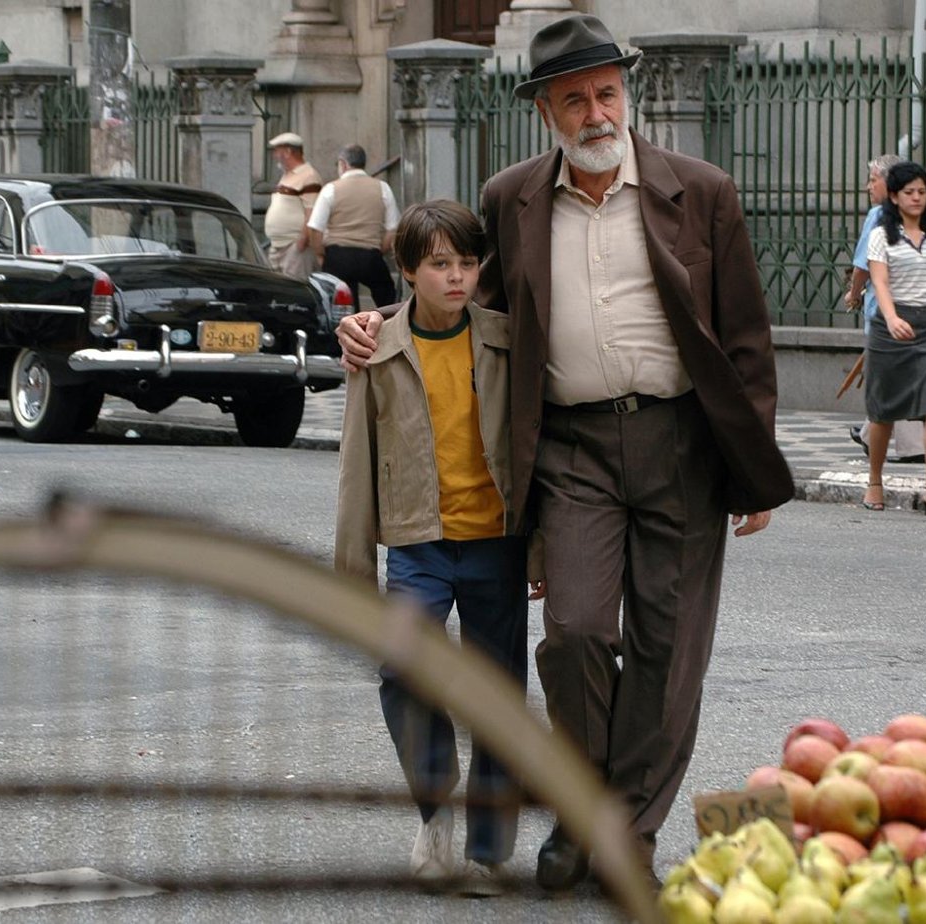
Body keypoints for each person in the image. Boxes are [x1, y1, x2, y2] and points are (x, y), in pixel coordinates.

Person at [336, 13, 794, 890]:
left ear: (628, 95)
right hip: (571, 446)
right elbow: (466, 315)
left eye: (606, 93)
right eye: (574, 99)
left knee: (667, 652)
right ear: (545, 110)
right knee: (576, 634)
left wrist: (752, 462)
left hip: (683, 444)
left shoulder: (701, 191)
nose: (595, 113)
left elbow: (744, 337)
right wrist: (373, 326)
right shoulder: (512, 198)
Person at [334, 199, 537, 898]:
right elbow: (356, 463)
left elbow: (536, 451)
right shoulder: (377, 345)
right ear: (408, 271)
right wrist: (353, 571)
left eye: (467, 263)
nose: (456, 278)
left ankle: (486, 849)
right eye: (439, 265)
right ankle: (433, 813)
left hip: (496, 544)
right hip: (417, 543)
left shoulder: (507, 342)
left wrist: (538, 552)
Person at [864, 161, 926, 517]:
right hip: (891, 329)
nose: (917, 198)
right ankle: (875, 479)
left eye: (922, 192)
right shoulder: (882, 234)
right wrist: (891, 317)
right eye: (909, 192)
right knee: (883, 411)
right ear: (894, 196)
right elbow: (879, 281)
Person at [844, 154, 925, 467]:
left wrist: (853, 295)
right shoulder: (918, 212)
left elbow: (863, 264)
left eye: (872, 179)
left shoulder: (879, 214)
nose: (868, 186)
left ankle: (907, 443)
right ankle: (871, 434)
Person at [306, 144, 399, 307]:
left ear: (343, 164)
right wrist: (380, 249)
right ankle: (388, 325)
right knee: (387, 294)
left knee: (341, 304)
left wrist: (320, 253)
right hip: (370, 255)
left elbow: (315, 228)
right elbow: (393, 229)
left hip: (337, 255)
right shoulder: (382, 188)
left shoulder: (331, 189)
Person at [263, 133, 323, 280]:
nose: (275, 155)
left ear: (288, 152)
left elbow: (312, 212)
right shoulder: (287, 175)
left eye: (277, 151)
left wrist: (301, 242)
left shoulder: (309, 176)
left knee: (295, 288)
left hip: (293, 245)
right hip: (278, 245)